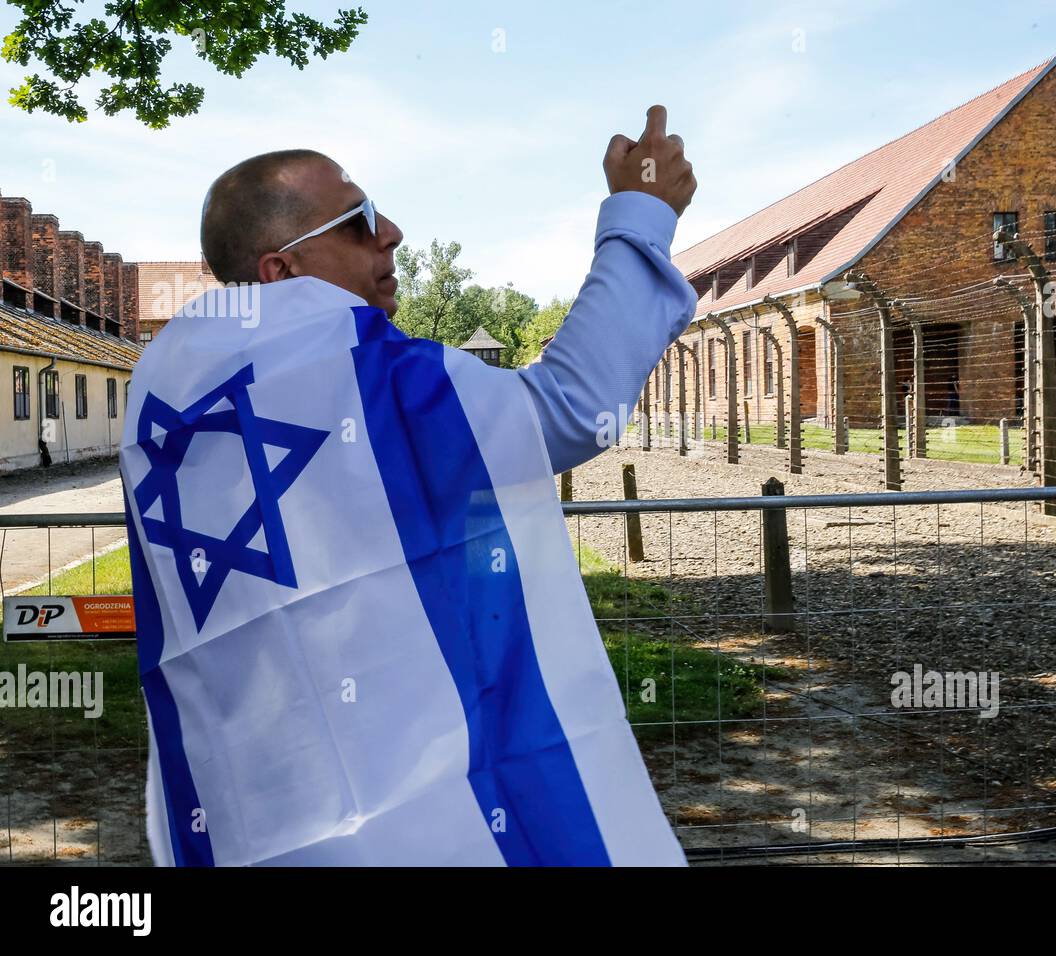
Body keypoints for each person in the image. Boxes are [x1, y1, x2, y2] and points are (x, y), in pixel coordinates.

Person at [120, 107, 697, 866]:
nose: (389, 230)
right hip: (426, 811)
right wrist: (641, 214)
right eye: (357, 219)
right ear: (280, 271)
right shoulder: (358, 376)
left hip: (262, 811)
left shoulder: (162, 408)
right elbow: (569, 409)